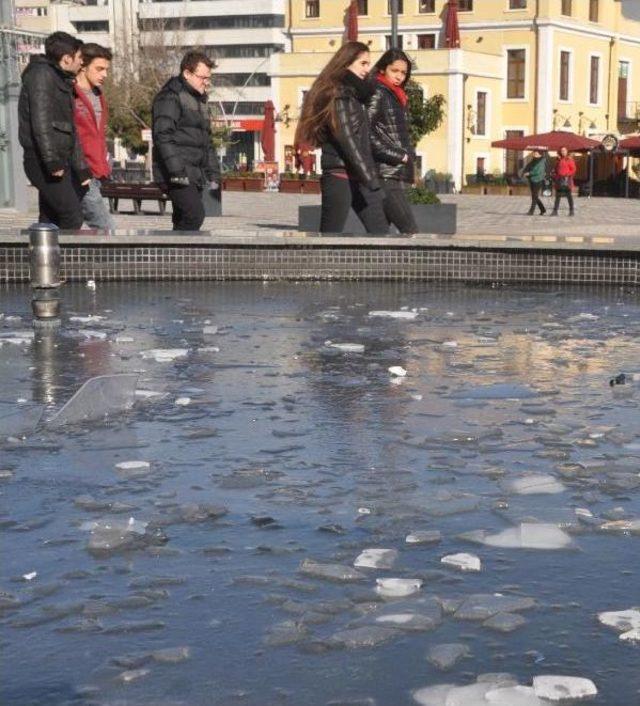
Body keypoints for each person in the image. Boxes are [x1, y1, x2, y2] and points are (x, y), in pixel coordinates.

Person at [295, 41, 387, 234]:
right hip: (340, 175)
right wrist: (369, 176)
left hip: (359, 176)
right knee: (330, 237)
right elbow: (347, 139)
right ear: (346, 63)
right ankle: (319, 264)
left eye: (368, 64)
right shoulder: (339, 94)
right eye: (363, 63)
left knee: (381, 234)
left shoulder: (355, 95)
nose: (367, 69)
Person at [18, 31, 91, 229]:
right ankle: (68, 259)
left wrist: (81, 169)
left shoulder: (60, 79)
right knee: (72, 216)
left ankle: (43, 258)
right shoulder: (41, 75)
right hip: (43, 161)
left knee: (49, 220)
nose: (81, 64)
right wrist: (51, 162)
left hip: (58, 160)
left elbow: (70, 130)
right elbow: (40, 122)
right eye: (79, 59)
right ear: (66, 59)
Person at [152, 51, 220, 231]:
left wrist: (213, 174)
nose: (206, 82)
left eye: (208, 78)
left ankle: (176, 256)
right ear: (187, 74)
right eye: (202, 77)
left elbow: (207, 142)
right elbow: (163, 135)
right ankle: (177, 253)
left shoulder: (200, 100)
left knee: (183, 218)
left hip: (194, 173)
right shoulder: (170, 96)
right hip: (176, 173)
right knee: (195, 215)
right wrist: (177, 171)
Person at [367, 49, 417, 235]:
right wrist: (400, 156)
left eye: (403, 73)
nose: (399, 77)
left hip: (392, 172)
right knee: (410, 229)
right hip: (385, 173)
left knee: (381, 233)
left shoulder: (395, 95)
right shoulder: (378, 92)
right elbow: (366, 132)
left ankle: (381, 264)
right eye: (394, 71)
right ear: (382, 69)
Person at [73, 43, 115, 231]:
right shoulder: (69, 94)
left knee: (65, 224)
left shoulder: (99, 95)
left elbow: (98, 134)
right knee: (106, 227)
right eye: (99, 69)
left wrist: (105, 162)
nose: (104, 74)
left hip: (96, 170)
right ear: (83, 65)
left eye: (106, 69)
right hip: (79, 171)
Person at [551, 146, 577, 216]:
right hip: (559, 180)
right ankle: (555, 211)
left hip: (567, 180)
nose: (563, 152)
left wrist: (567, 174)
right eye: (562, 151)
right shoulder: (558, 160)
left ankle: (571, 211)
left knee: (569, 196)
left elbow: (573, 169)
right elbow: (556, 170)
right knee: (558, 196)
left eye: (564, 150)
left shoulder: (569, 160)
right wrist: (555, 176)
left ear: (567, 151)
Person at [522, 149, 547, 216]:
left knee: (534, 196)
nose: (534, 155)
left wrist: (529, 173)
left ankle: (531, 211)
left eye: (536, 154)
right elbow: (528, 166)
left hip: (538, 180)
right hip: (532, 180)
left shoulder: (541, 161)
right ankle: (543, 209)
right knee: (534, 196)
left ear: (540, 154)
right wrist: (525, 171)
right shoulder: (533, 160)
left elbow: (538, 171)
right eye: (534, 153)